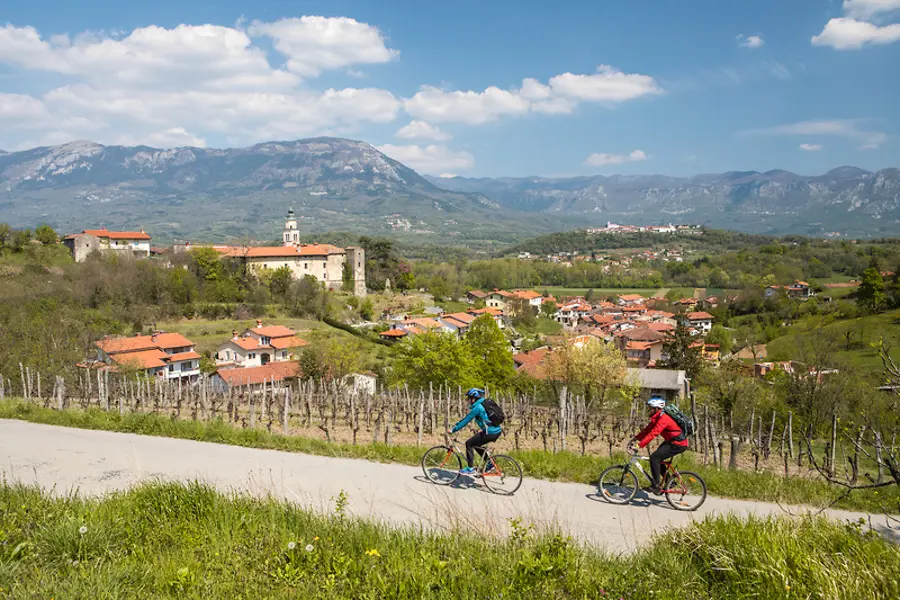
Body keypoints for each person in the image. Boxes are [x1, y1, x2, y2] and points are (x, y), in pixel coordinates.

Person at [629, 396, 688, 494]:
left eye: (651, 408)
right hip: (672, 441)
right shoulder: (657, 417)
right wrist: (636, 438)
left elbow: (653, 433)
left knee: (654, 458)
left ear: (657, 409)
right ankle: (670, 481)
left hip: (678, 443)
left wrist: (639, 446)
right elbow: (647, 430)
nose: (649, 410)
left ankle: (656, 486)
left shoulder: (663, 418)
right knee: (658, 458)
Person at [449, 388, 502, 474]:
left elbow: (466, 420)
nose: (468, 401)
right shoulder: (483, 404)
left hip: (490, 432)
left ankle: (470, 468)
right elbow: (465, 419)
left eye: (469, 398)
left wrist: (453, 429)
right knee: (476, 444)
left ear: (473, 398)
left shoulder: (478, 408)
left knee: (469, 443)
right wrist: (457, 424)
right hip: (496, 431)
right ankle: (489, 464)